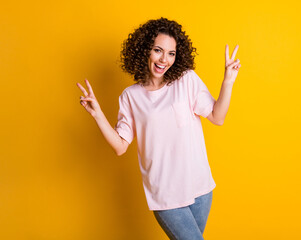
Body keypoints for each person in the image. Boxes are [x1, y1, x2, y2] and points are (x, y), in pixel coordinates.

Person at [77, 17, 241, 240]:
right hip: (166, 196)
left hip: (200, 188)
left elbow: (217, 116)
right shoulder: (131, 97)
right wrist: (97, 114)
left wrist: (228, 81)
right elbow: (120, 146)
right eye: (158, 50)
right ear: (145, 50)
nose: (164, 59)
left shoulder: (186, 80)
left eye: (171, 53)